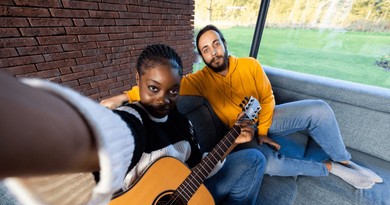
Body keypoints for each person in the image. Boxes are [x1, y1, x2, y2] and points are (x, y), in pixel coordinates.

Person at [0, 44, 272, 205]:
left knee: (254, 158)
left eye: (173, 91)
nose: (163, 100)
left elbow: (202, 166)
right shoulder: (131, 119)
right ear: (137, 80)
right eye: (153, 88)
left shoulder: (183, 124)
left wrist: (233, 140)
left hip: (185, 203)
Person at [100, 25, 383, 190]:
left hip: (267, 119)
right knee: (266, 164)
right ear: (202, 56)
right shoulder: (200, 80)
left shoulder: (250, 64)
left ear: (225, 44)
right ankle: (331, 168)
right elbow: (164, 85)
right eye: (206, 50)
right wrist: (125, 96)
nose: (213, 52)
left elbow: (268, 97)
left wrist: (262, 132)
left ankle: (343, 158)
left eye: (216, 44)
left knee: (319, 109)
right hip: (239, 128)